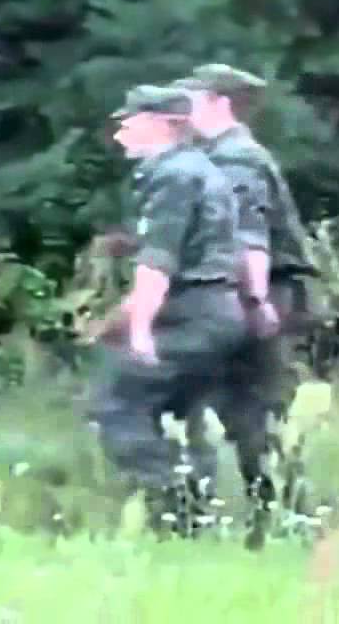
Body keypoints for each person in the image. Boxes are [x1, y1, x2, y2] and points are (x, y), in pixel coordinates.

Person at [87, 85, 247, 530]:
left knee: (116, 404)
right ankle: (199, 515)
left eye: (128, 123)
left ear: (162, 124)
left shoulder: (172, 175)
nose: (119, 133)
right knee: (185, 413)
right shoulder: (201, 169)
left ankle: (173, 508)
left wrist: (138, 330)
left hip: (189, 313)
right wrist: (120, 317)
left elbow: (159, 260)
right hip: (216, 310)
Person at [170, 63, 313, 512]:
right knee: (239, 409)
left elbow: (245, 236)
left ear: (220, 103)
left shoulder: (236, 159)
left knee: (254, 411)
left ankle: (279, 513)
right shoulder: (217, 156)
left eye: (191, 101)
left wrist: (253, 300)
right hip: (245, 292)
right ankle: (271, 511)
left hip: (255, 292)